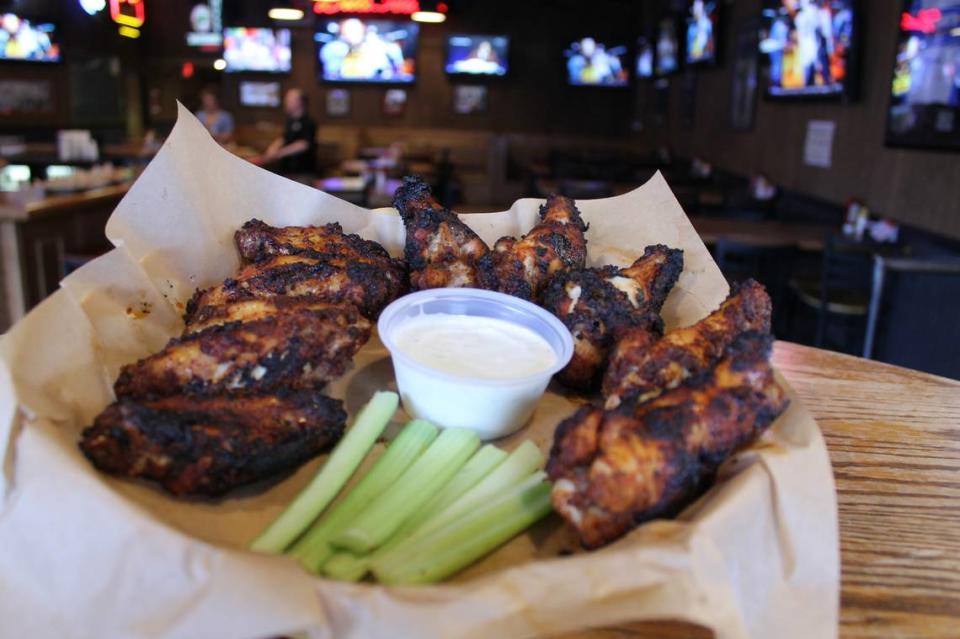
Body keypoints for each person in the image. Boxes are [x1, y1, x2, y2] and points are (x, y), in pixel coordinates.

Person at [262, 88, 317, 177]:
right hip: (286, 170)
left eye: (289, 100)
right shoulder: (290, 121)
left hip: (302, 172)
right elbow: (284, 138)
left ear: (299, 102)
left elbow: (303, 144)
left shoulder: (309, 122)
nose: (285, 103)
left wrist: (279, 153)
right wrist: (272, 148)